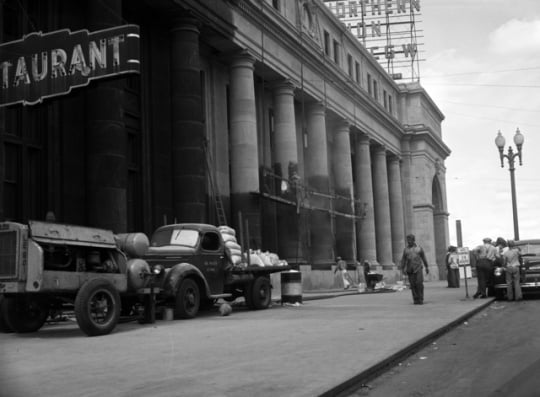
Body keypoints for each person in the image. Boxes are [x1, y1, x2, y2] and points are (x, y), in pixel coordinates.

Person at [400, 234, 429, 304]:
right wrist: (402, 268)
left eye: (410, 240)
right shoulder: (406, 250)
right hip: (410, 269)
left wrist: (426, 267)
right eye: (408, 240)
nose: (408, 242)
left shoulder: (419, 248)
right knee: (412, 285)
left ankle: (421, 298)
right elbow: (403, 260)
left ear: (413, 240)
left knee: (419, 283)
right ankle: (416, 299)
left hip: (418, 268)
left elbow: (424, 258)